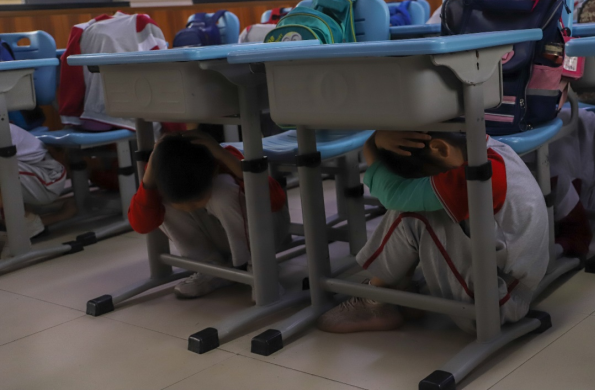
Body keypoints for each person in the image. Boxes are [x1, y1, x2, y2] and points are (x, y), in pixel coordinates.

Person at [317, 130, 549, 333]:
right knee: (423, 204)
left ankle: (375, 298)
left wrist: (372, 142)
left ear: (440, 148)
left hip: (496, 305)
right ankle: (395, 289)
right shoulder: (487, 146)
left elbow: (393, 195)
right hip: (513, 287)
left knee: (413, 212)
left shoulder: (480, 175)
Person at [128, 131, 290, 299]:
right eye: (182, 205)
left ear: (213, 172)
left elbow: (275, 201)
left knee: (222, 190)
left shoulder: (223, 158)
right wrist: (151, 169)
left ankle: (259, 268)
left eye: (196, 202)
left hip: (265, 236)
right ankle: (212, 268)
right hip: (224, 240)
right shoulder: (163, 170)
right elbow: (142, 225)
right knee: (155, 201)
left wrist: (224, 156)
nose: (188, 209)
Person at [545, 108, 595, 258]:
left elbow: (579, 237)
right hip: (572, 134)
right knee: (589, 207)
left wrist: (558, 247)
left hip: (589, 135)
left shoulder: (557, 181)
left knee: (590, 209)